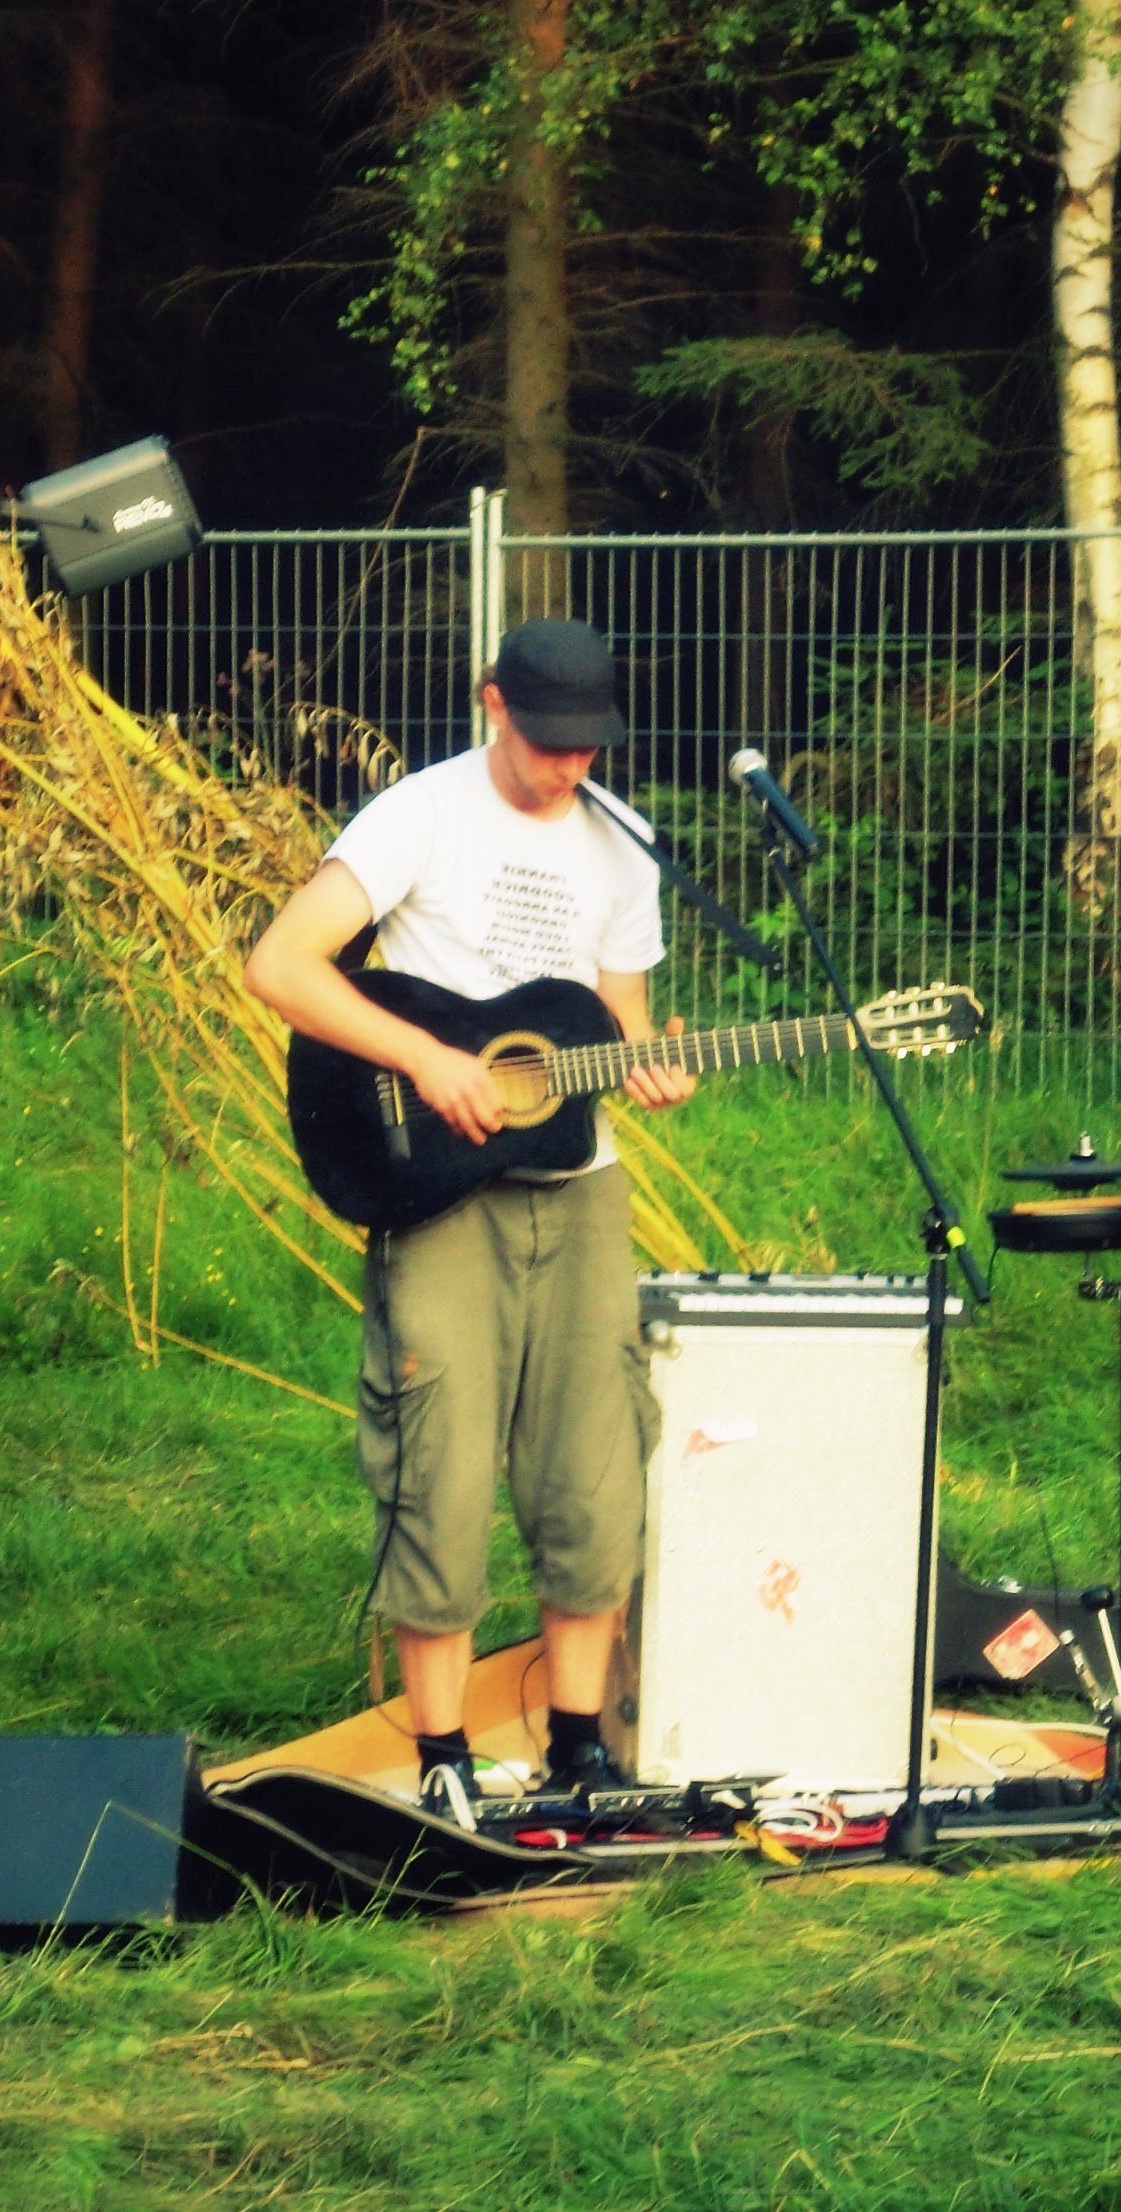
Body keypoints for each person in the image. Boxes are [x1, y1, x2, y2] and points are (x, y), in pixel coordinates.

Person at [244, 617, 694, 1821]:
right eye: (547, 742)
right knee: (437, 1460)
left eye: (587, 747)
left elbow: (618, 1025)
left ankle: (579, 1751)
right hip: (435, 1181)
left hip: (577, 1186)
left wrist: (653, 1065)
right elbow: (280, 966)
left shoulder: (624, 848)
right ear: (492, 703)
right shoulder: (419, 815)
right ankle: (442, 1755)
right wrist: (425, 1058)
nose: (568, 767)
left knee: (593, 1467)